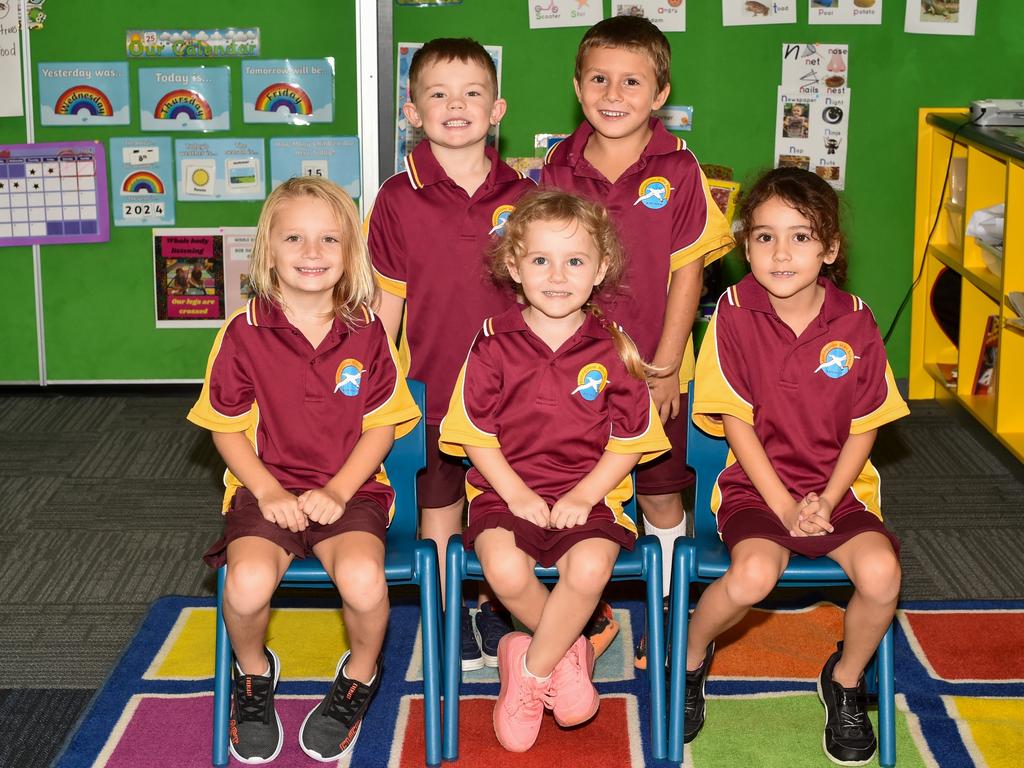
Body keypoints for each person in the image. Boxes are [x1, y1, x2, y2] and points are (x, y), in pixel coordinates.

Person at [187, 177, 421, 764]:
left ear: (350, 254)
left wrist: (340, 491)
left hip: (353, 491)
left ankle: (359, 677)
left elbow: (382, 426)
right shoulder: (241, 332)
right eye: (294, 238)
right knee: (245, 586)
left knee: (365, 583)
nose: (312, 253)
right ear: (267, 249)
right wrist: (266, 490)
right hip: (266, 491)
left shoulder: (370, 333)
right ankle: (252, 675)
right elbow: (225, 425)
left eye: (328, 240)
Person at [685, 167, 909, 766]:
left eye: (801, 237)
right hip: (758, 489)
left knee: (883, 574)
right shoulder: (731, 313)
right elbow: (735, 423)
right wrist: (785, 507)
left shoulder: (856, 319)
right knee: (754, 575)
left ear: (830, 249)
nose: (781, 253)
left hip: (838, 490)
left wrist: (829, 501)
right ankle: (689, 654)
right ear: (745, 245)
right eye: (764, 237)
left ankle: (844, 679)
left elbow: (866, 423)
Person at [439, 189, 670, 752]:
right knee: (505, 571)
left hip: (593, 495)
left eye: (575, 261)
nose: (557, 275)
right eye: (541, 260)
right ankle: (572, 651)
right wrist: (515, 494)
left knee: (589, 571)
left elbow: (631, 441)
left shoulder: (616, 347)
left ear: (600, 269)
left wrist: (586, 494)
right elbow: (474, 434)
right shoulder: (491, 344)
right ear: (515, 267)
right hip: (503, 490)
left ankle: (530, 664)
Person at [541, 14, 734, 667]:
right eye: (599, 79)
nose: (613, 93)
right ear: (577, 86)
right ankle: (581, 615)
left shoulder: (679, 170)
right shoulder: (557, 166)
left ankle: (672, 610)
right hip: (572, 376)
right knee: (572, 490)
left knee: (657, 489)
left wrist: (666, 365)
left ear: (659, 95)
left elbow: (689, 268)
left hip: (653, 368)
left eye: (631, 81)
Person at [368, 37, 536, 672]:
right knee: (439, 516)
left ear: (498, 109)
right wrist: (378, 391)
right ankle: (447, 614)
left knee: (506, 511)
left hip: (517, 398)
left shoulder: (526, 196)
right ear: (412, 112)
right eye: (437, 94)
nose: (456, 106)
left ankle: (500, 604)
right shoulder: (396, 197)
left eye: (472, 93)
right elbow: (388, 303)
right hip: (433, 389)